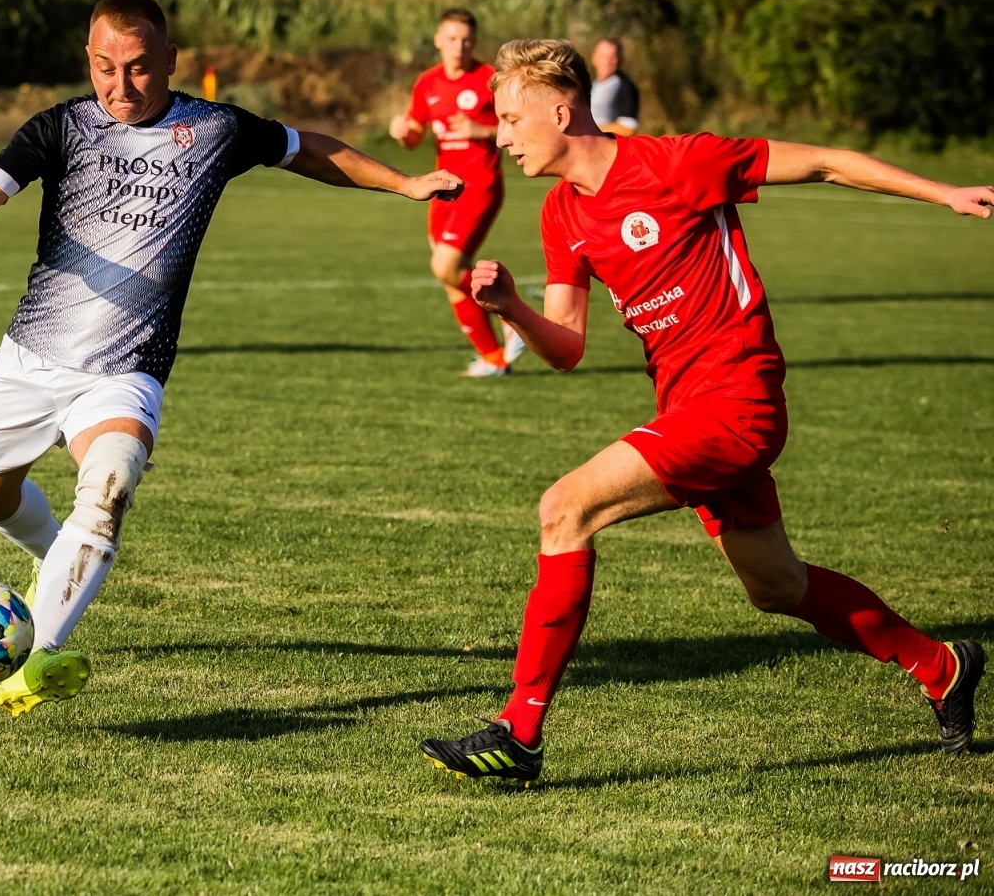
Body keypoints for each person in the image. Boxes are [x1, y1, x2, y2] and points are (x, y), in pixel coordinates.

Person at [419, 38, 991, 783]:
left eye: (508, 118)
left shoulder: (676, 162)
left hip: (739, 398)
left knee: (565, 508)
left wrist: (943, 193)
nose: (499, 136)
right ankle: (941, 664)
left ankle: (518, 731)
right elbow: (567, 348)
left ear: (561, 111)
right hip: (688, 406)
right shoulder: (562, 214)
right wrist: (514, 308)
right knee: (776, 586)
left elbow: (822, 161)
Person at [0, 0, 462, 717]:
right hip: (33, 356)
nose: (122, 86)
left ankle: (42, 653)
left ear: (171, 61)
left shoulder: (214, 128)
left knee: (108, 485)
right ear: (90, 60)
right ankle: (56, 557)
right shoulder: (64, 126)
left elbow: (311, 150)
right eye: (107, 68)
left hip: (127, 366)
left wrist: (404, 182)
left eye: (141, 68)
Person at [390, 9, 525, 376]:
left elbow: (515, 126)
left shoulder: (488, 79)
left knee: (445, 266)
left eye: (466, 40)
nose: (459, 46)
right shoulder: (428, 82)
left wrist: (480, 129)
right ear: (438, 40)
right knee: (451, 277)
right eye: (451, 38)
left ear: (474, 42)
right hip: (443, 188)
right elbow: (415, 135)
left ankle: (514, 319)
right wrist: (403, 132)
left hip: (480, 185)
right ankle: (494, 359)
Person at [589, 38, 640, 137]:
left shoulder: (625, 87)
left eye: (612, 57)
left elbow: (628, 129)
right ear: (594, 58)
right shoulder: (592, 84)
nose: (607, 62)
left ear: (620, 59)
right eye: (603, 57)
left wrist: (591, 130)